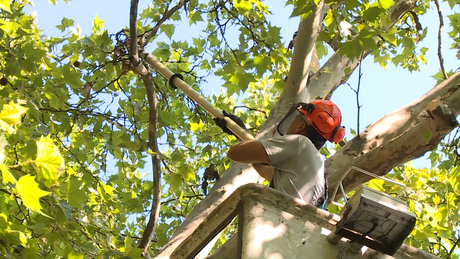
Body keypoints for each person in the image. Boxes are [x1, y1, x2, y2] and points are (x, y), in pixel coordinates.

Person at [214, 100, 345, 208]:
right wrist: (241, 132)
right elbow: (262, 168)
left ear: (300, 126)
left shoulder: (300, 143)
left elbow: (235, 153)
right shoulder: (315, 169)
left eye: (295, 118)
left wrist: (244, 138)